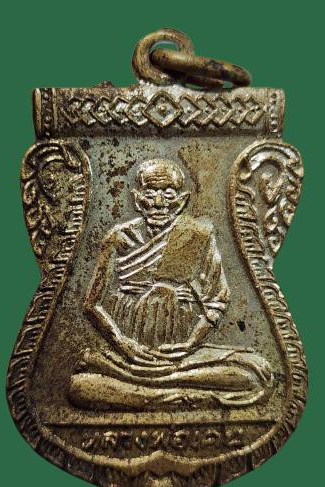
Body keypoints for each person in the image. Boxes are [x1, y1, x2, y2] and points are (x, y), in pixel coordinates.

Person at [68, 159, 273, 410]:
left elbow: (218, 299)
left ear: (182, 199)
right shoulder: (119, 237)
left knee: (255, 375)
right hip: (127, 358)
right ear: (137, 198)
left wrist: (189, 344)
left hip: (182, 358)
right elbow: (91, 304)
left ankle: (152, 395)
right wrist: (123, 344)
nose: (158, 202)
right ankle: (180, 397)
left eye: (167, 193)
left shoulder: (198, 234)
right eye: (150, 193)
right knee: (79, 386)